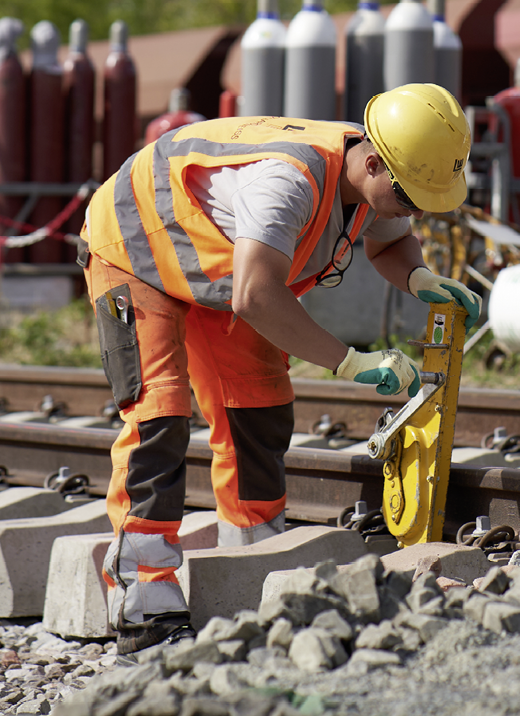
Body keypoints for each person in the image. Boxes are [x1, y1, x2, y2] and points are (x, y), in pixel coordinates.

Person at [78, 82, 482, 652]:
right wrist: (348, 361)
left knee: (257, 406)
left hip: (213, 267)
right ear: (372, 162)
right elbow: (255, 295)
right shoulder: (287, 183)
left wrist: (419, 277)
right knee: (159, 415)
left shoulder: (375, 175)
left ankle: (252, 562)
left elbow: (389, 244)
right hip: (135, 247)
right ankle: (144, 599)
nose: (414, 211)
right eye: (412, 198)